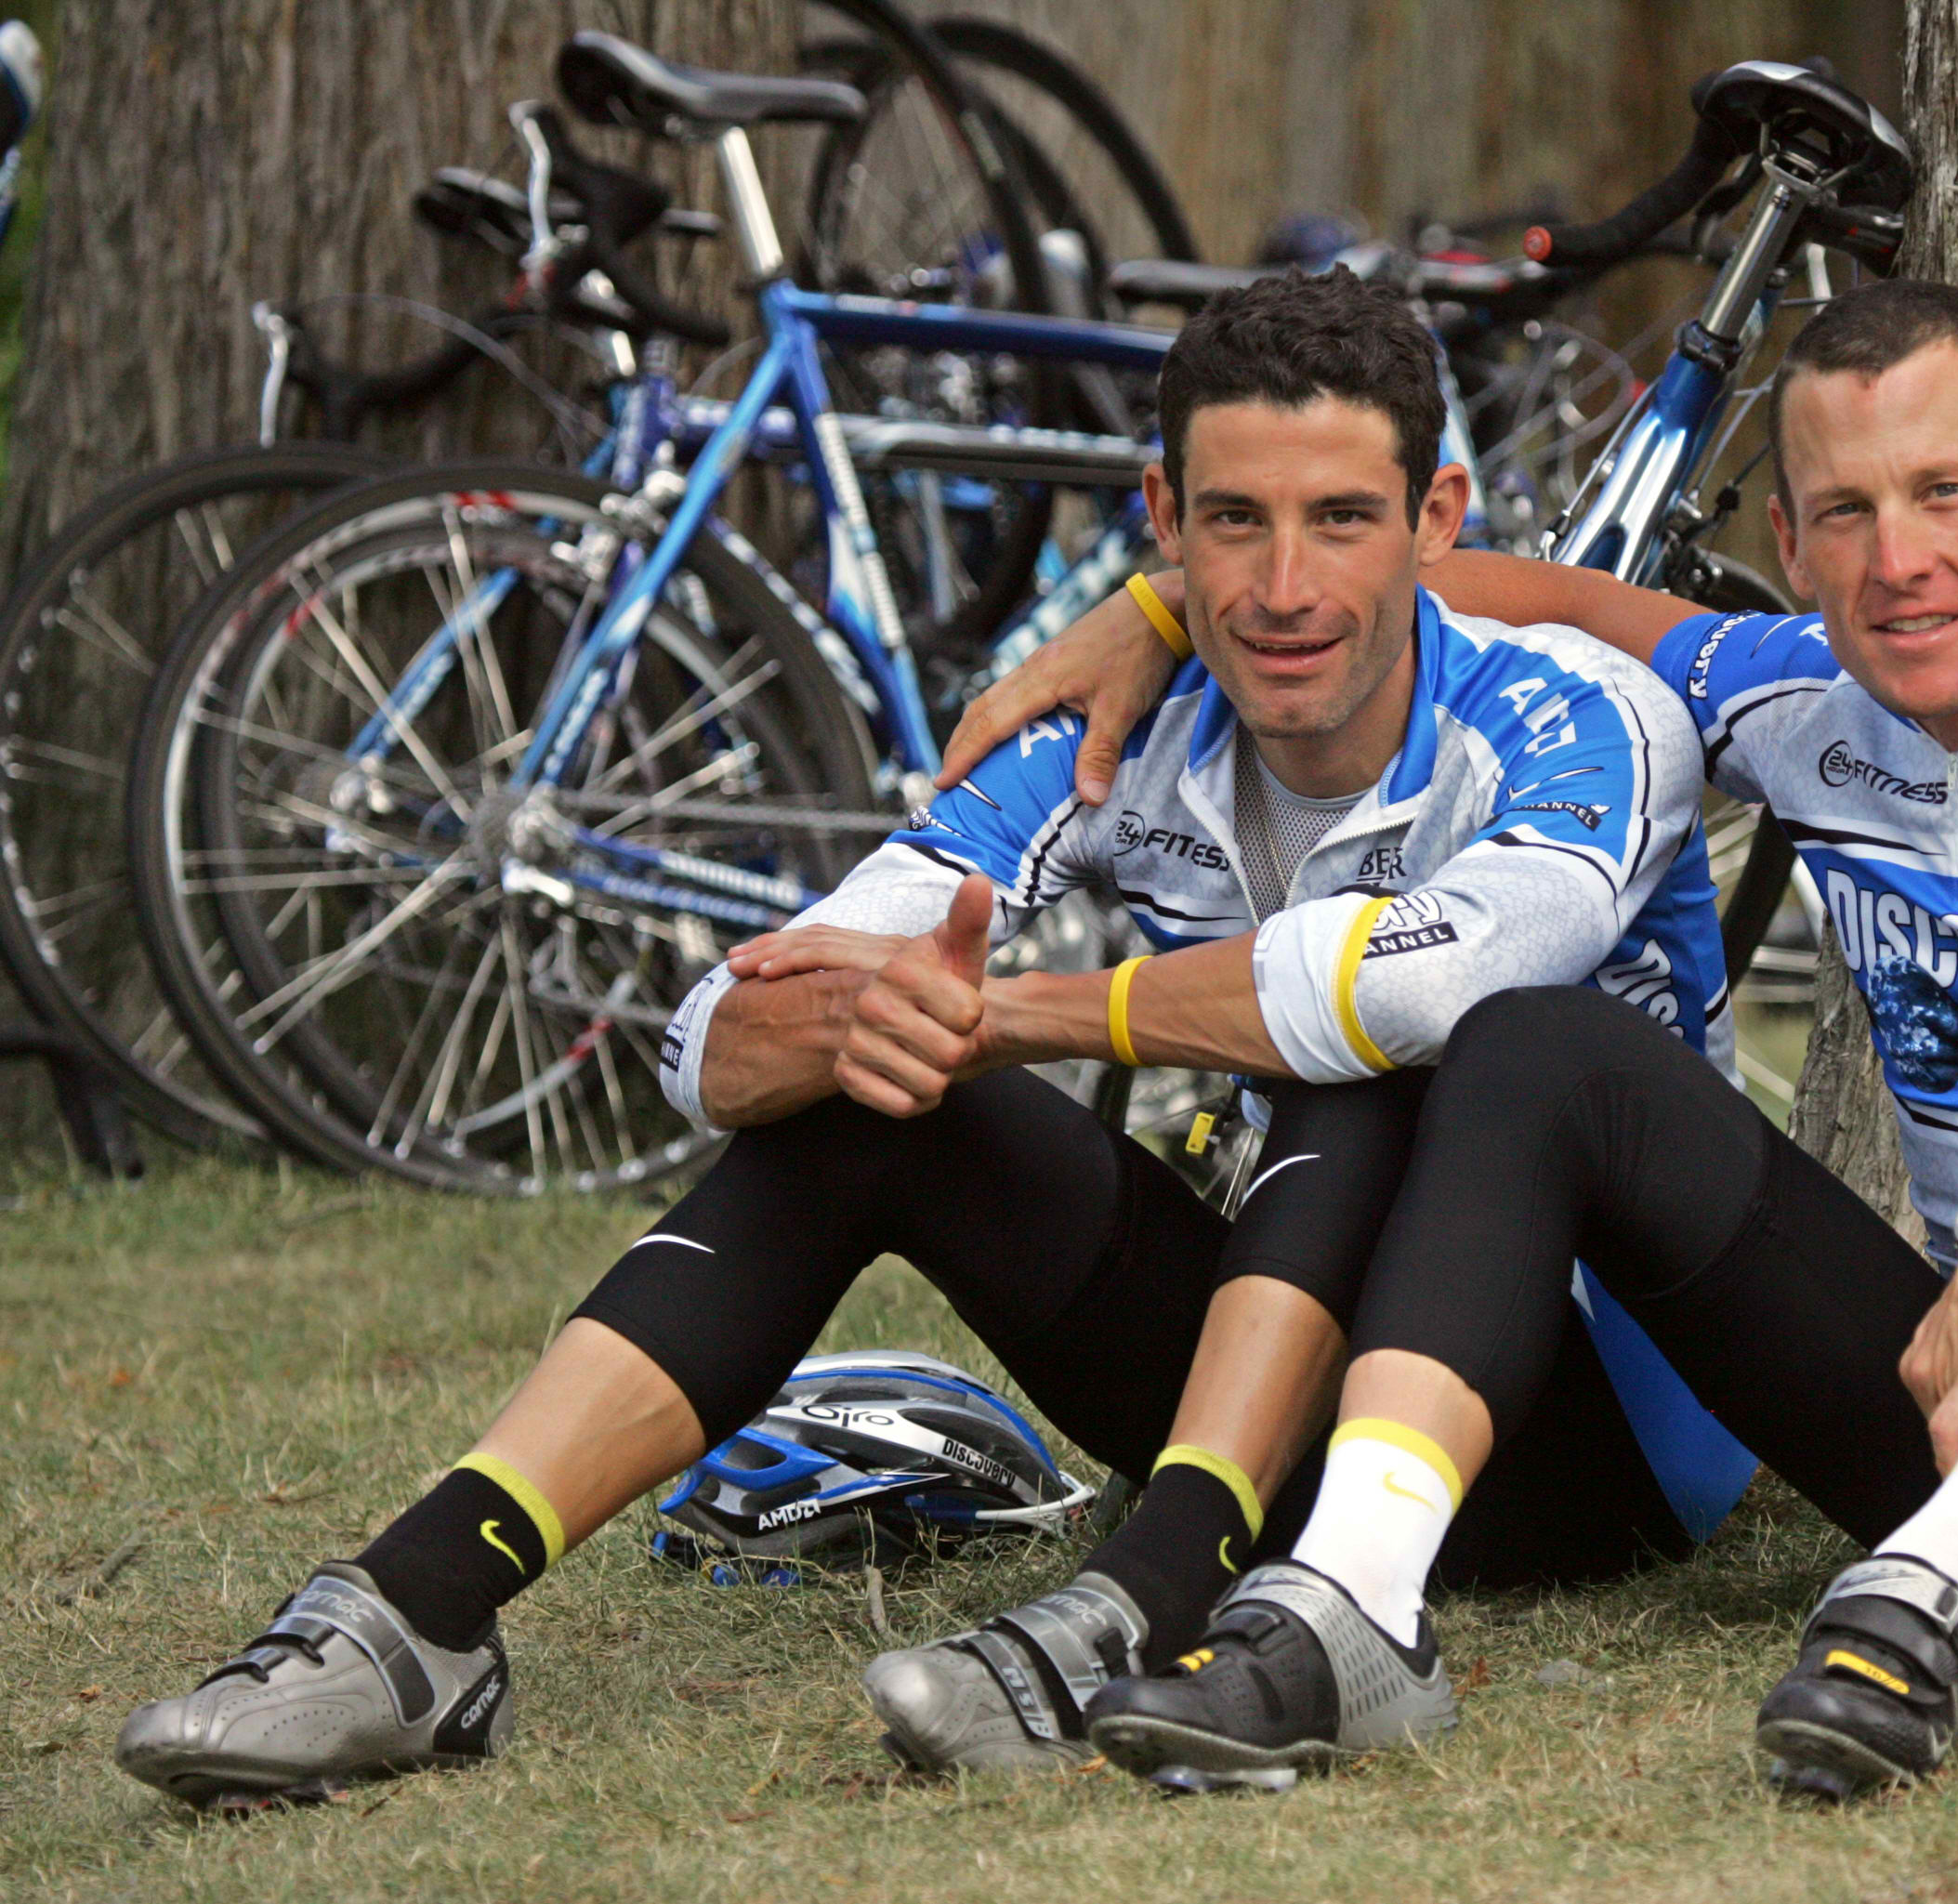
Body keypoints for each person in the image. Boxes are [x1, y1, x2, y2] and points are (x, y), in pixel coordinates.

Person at [112, 269, 1743, 1808]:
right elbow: (707, 1039)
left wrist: (1015, 1016)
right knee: (863, 1085)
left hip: (1581, 1444)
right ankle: (418, 1612)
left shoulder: (1571, 708)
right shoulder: (1113, 727)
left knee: (1356, 1047)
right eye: (1233, 523)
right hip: (1283, 1406)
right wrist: (854, 1021)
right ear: (1163, 532)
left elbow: (1419, 989)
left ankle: (1142, 1596)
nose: (1285, 587)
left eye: (1340, 521)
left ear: (1435, 523)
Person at [950, 278, 1958, 1796]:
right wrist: (1158, 610)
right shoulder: (1799, 697)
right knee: (1538, 1044)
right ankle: (1350, 1605)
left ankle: (1926, 1603)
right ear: (1789, 542)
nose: (1900, 562)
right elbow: (1485, 594)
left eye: (1947, 493)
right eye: (1845, 512)